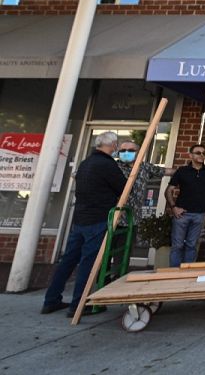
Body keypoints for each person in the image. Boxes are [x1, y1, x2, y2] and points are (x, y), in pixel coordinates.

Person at [42, 131, 126, 316]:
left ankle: (51, 299)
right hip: (98, 218)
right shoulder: (107, 165)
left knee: (68, 260)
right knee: (89, 262)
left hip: (80, 218)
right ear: (112, 145)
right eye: (116, 144)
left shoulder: (86, 163)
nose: (117, 147)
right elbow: (123, 187)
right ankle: (79, 304)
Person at [165, 144, 205, 267]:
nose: (201, 155)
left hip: (200, 215)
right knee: (177, 245)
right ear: (190, 155)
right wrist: (174, 208)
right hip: (181, 214)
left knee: (191, 245)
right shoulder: (182, 171)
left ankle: (187, 274)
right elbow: (168, 190)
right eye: (198, 153)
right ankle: (173, 274)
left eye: (204, 153)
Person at [115, 139, 175, 218]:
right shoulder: (113, 167)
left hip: (134, 217)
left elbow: (166, 171)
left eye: (131, 150)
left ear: (139, 152)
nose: (126, 153)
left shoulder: (145, 167)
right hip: (115, 217)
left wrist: (189, 171)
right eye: (122, 150)